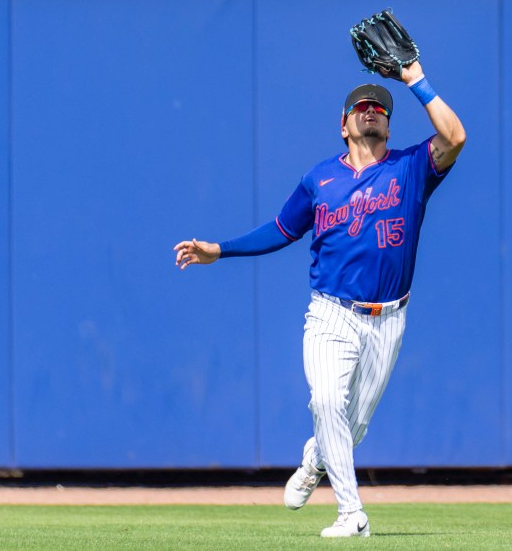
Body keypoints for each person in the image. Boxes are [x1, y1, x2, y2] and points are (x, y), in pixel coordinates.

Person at [174, 60, 465, 537]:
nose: (371, 111)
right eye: (361, 107)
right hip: (331, 312)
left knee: (352, 428)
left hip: (388, 320)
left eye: (380, 109)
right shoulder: (320, 179)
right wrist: (219, 250)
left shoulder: (412, 168)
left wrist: (415, 80)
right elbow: (282, 229)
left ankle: (316, 458)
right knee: (327, 398)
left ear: (389, 125)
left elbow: (455, 138)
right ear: (343, 123)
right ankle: (351, 514)